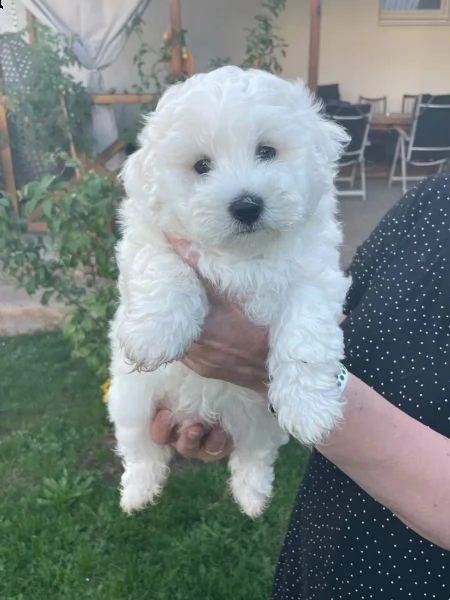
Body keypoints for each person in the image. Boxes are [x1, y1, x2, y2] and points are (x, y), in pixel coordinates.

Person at [150, 174, 450, 599]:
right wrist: (231, 398)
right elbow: (338, 323)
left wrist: (271, 369)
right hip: (329, 550)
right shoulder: (433, 202)